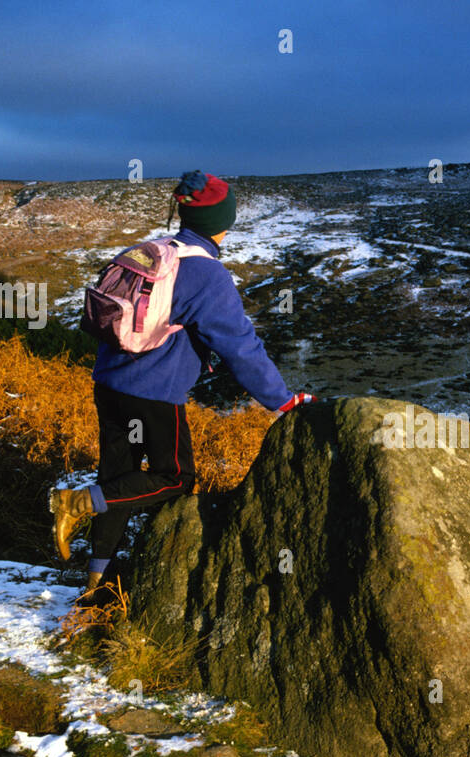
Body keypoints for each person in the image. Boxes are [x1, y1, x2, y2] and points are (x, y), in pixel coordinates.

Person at [49, 170, 314, 592]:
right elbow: (240, 348)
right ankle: (77, 502)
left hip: (109, 384)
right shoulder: (208, 276)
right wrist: (281, 400)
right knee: (175, 478)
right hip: (153, 395)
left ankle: (96, 582)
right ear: (222, 224)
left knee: (119, 477)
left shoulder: (152, 250)